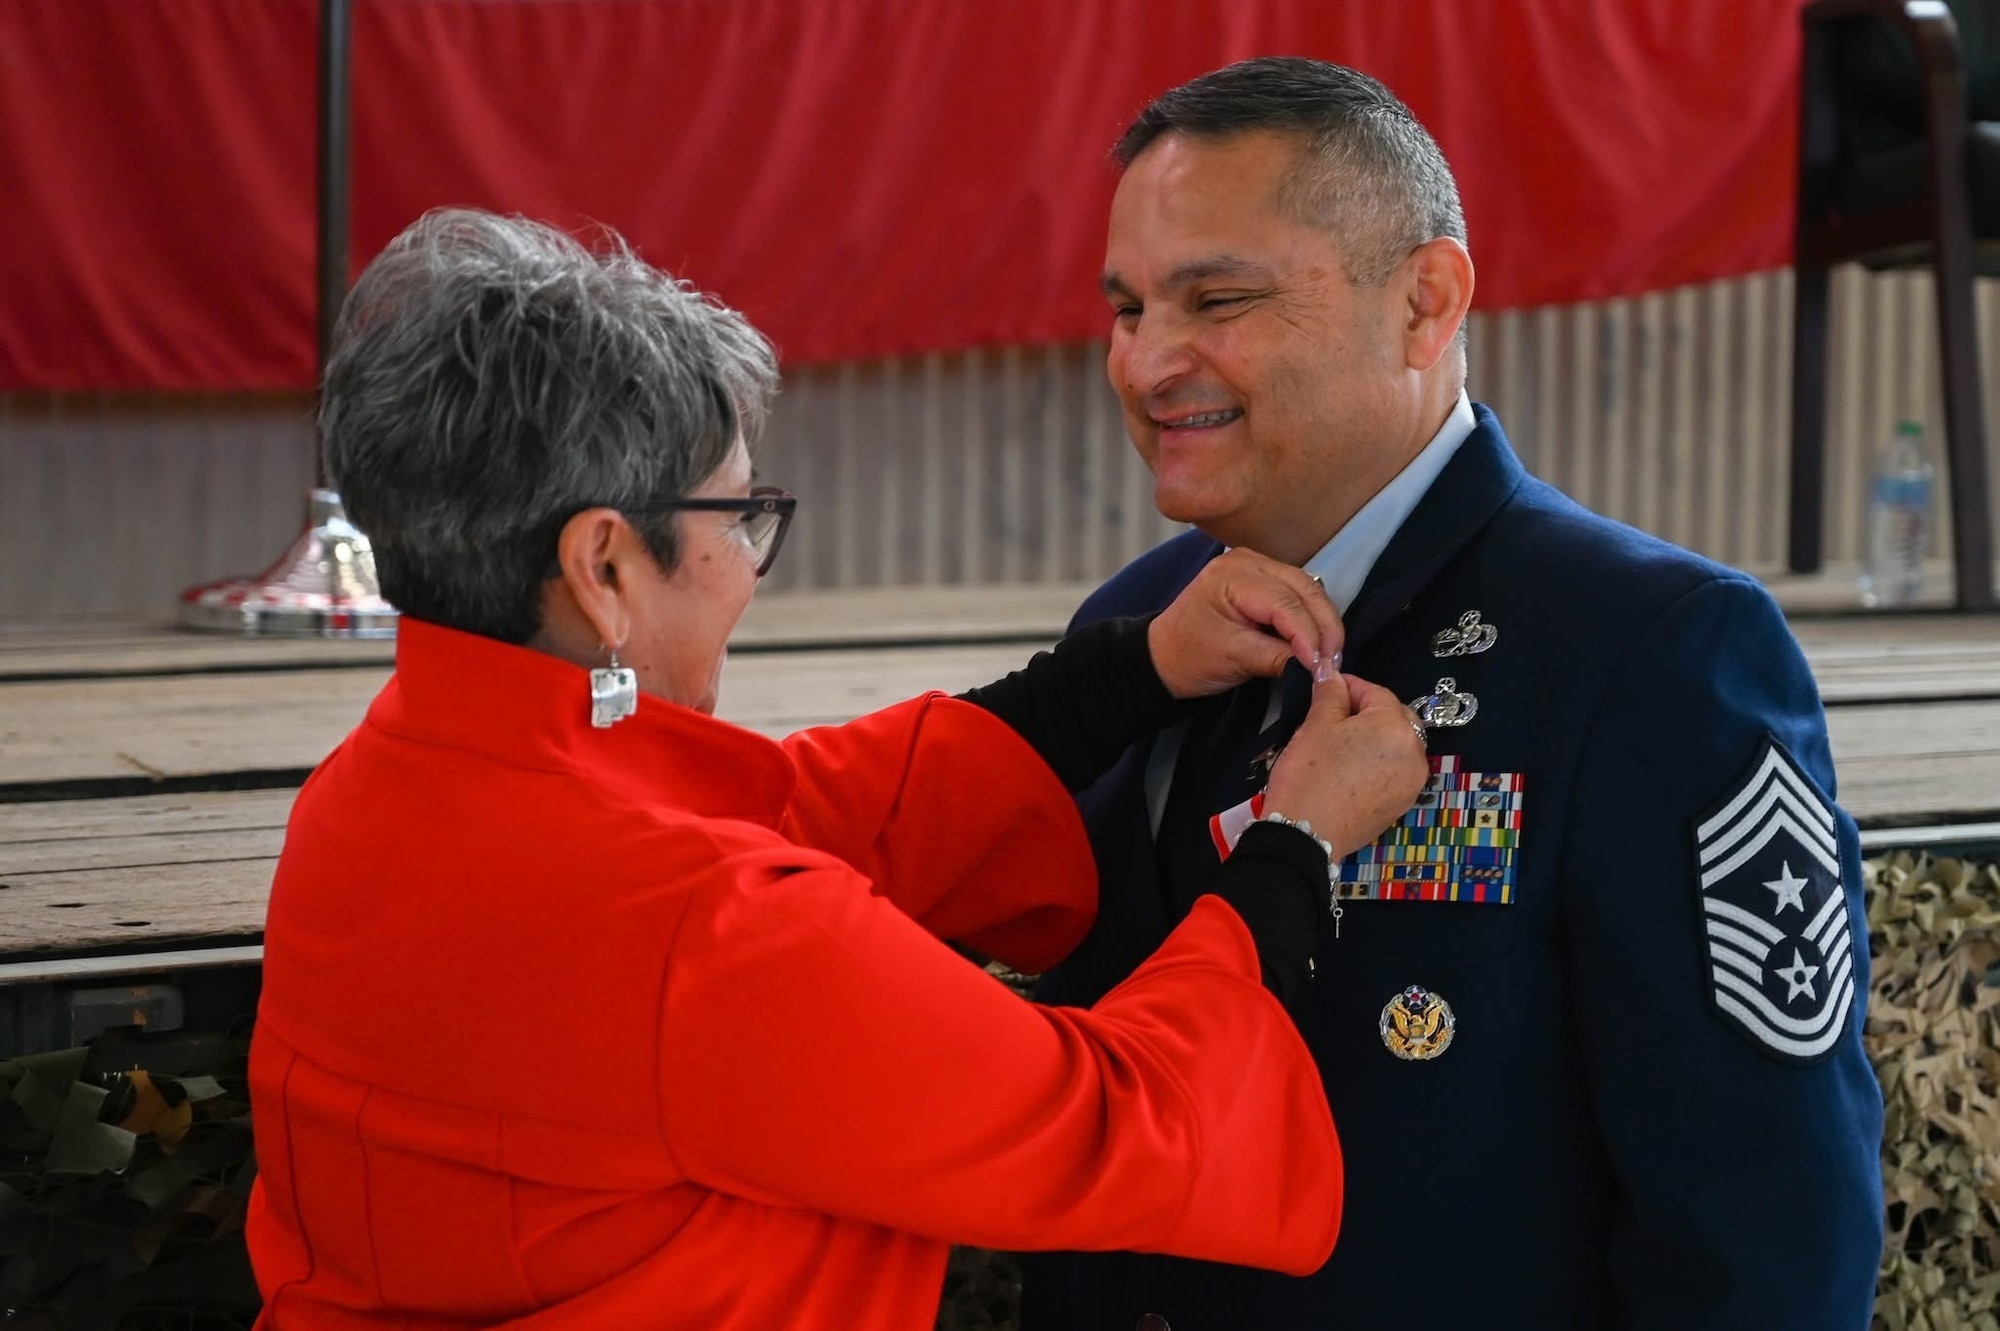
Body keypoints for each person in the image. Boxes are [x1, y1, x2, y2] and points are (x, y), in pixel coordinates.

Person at [243, 207, 1432, 1330]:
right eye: (737, 516)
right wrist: (1294, 845)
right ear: (603, 565)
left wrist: (1132, 670)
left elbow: (795, 814)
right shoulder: (702, 926)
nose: (750, 567)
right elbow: (1129, 1120)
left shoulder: (371, 783)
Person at [1023, 58, 1886, 1331]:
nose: (1149, 363)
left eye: (1216, 298)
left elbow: (1764, 1225)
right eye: (1127, 307)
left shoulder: (1647, 649)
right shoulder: (1132, 631)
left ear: (1424, 301)